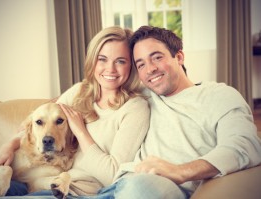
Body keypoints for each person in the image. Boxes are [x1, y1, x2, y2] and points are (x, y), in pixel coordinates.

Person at [0, 26, 150, 199]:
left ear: (131, 65)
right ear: (93, 61)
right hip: (41, 182)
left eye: (121, 61)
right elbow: (40, 120)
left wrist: (80, 132)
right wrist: (9, 145)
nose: (110, 69)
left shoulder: (135, 108)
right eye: (102, 59)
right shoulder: (80, 91)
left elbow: (112, 174)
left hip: (78, 191)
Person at [82, 25, 261, 199]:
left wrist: (180, 171)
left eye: (157, 57)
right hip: (113, 187)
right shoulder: (142, 96)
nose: (150, 69)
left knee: (138, 188)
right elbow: (94, 84)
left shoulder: (218, 95)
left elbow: (245, 145)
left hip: (155, 189)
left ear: (180, 56)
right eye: (141, 64)